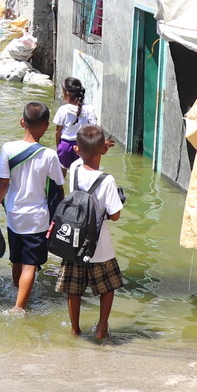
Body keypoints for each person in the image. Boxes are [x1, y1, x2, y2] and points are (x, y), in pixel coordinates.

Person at [0, 102, 66, 313]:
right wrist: (57, 221)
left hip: (14, 215)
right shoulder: (49, 155)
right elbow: (58, 189)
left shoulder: (8, 148)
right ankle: (19, 307)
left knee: (16, 259)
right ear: (46, 126)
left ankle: (17, 291)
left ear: (22, 122)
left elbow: (2, 184)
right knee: (30, 265)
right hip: (38, 218)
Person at [58, 125, 125, 341]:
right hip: (100, 245)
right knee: (108, 287)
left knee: (74, 289)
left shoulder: (75, 168)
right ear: (103, 151)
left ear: (77, 149)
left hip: (75, 242)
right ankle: (101, 327)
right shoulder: (107, 180)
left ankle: (75, 329)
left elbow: (85, 155)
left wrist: (96, 147)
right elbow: (115, 216)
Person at [53, 77, 99, 168]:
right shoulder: (89, 108)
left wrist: (59, 147)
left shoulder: (62, 110)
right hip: (83, 146)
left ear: (67, 93)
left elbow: (58, 132)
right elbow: (94, 130)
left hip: (65, 146)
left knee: (62, 174)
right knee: (82, 173)